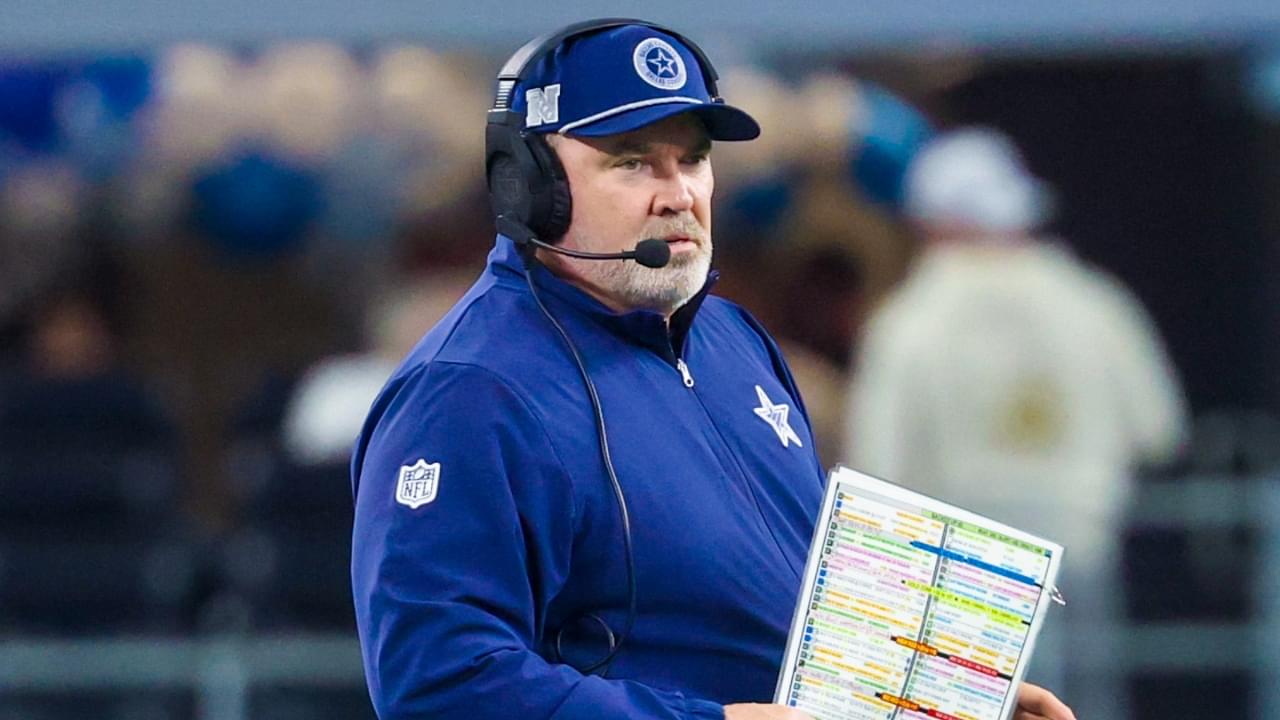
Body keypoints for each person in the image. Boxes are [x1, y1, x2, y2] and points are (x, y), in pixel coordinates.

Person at [351, 20, 1075, 720]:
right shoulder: (470, 391)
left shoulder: (730, 338)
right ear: (529, 186)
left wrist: (944, 699)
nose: (679, 194)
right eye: (632, 161)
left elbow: (788, 607)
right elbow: (439, 684)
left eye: (692, 159)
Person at [844, 127, 1187, 719]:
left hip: (962, 577)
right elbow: (1159, 430)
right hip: (1082, 551)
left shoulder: (908, 324)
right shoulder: (1097, 305)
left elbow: (876, 463)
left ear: (929, 222)